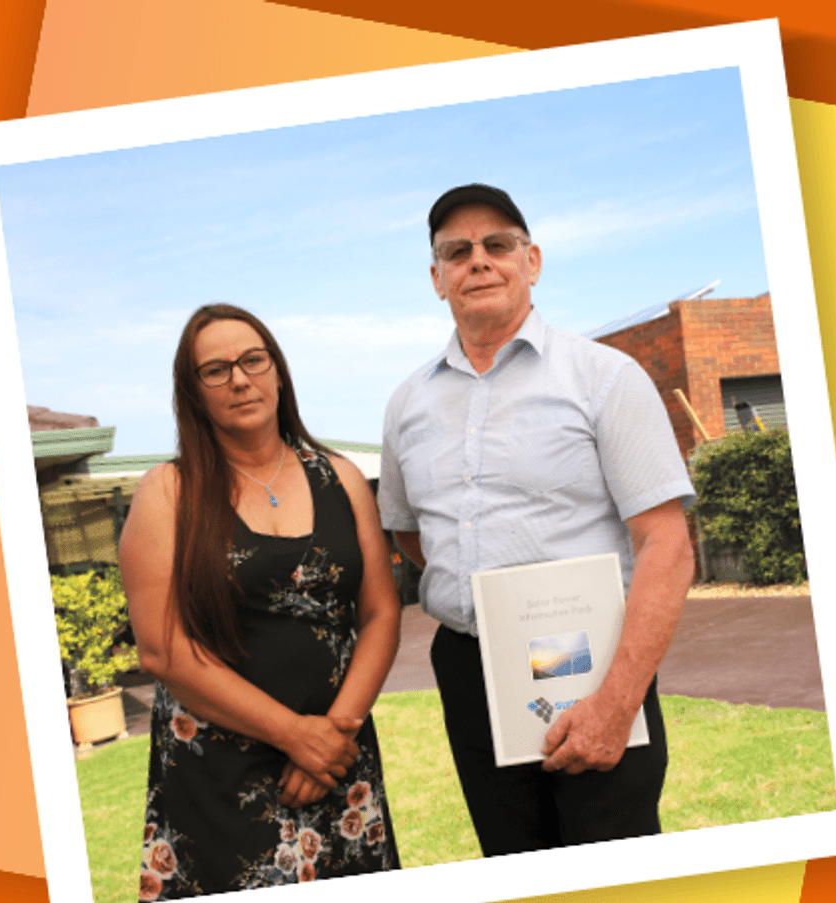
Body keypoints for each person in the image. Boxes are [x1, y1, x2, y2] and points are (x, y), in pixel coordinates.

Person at [378, 184, 696, 856]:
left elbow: (666, 543)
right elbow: (414, 536)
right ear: (437, 279)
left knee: (614, 859)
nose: (480, 261)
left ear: (533, 261)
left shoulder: (605, 377)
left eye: (498, 245)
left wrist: (616, 703)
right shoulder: (406, 403)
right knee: (511, 856)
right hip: (469, 671)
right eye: (457, 252)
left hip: (590, 663)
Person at [119, 304, 402, 897]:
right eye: (215, 370)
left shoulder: (341, 477)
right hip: (221, 778)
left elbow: (380, 611)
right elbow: (161, 650)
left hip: (335, 761)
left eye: (253, 360)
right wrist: (294, 736)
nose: (240, 379)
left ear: (277, 371)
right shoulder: (167, 493)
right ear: (192, 393)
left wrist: (334, 732)